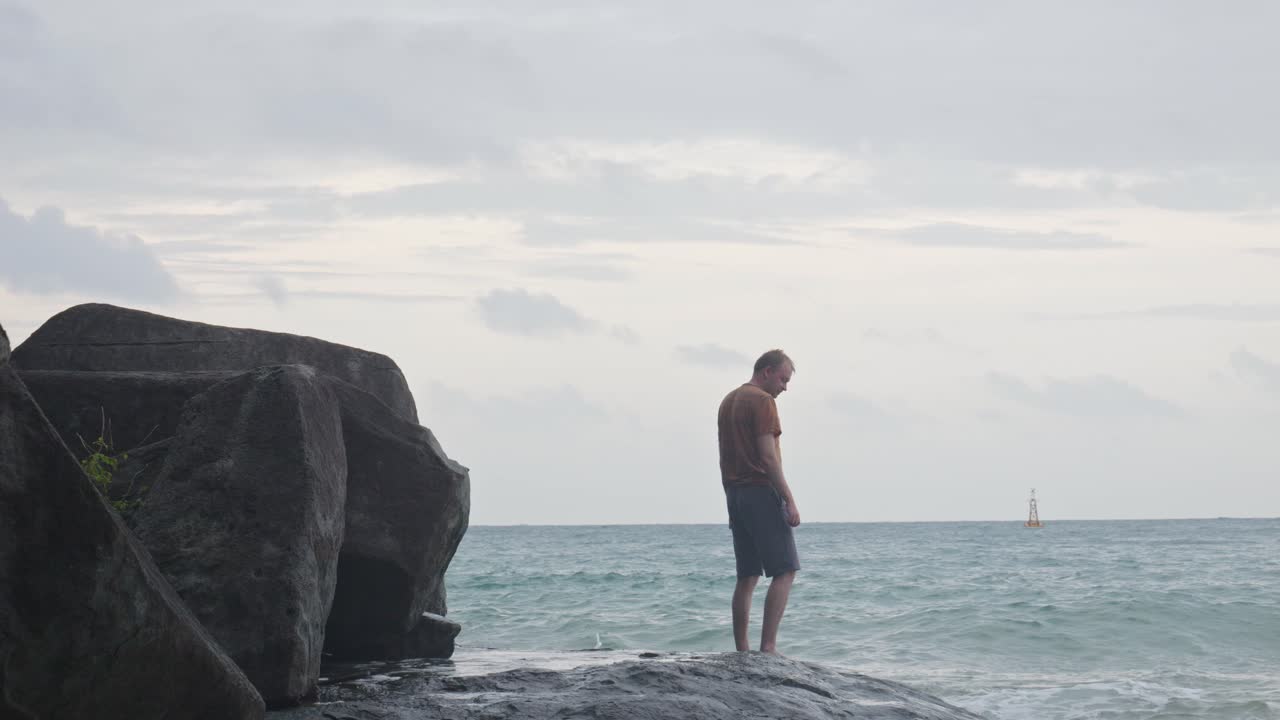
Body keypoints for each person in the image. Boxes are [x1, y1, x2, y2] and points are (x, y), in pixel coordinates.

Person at [717, 349, 800, 654]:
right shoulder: (763, 401)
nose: (784, 387)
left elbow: (725, 454)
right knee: (785, 570)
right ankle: (768, 648)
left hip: (735, 494)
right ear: (766, 371)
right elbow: (767, 456)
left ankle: (743, 649)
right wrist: (789, 499)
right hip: (760, 491)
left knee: (748, 575)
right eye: (783, 379)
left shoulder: (728, 400)